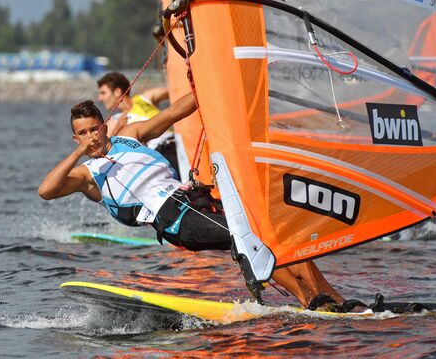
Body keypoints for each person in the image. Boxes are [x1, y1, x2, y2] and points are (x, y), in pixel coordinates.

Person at [38, 93, 350, 311]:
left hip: (194, 200)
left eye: (95, 128)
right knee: (249, 238)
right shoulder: (87, 175)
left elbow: (174, 113)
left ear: (105, 125)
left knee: (275, 231)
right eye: (83, 133)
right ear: (75, 138)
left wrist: (205, 87)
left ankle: (335, 298)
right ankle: (308, 301)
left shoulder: (130, 135)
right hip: (176, 221)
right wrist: (81, 153)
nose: (92, 136)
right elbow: (46, 191)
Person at [96, 72, 179, 176]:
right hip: (159, 155)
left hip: (177, 142)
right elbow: (101, 150)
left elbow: (177, 89)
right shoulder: (115, 120)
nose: (100, 98)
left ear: (117, 92)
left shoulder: (145, 99)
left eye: (103, 93)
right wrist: (117, 128)